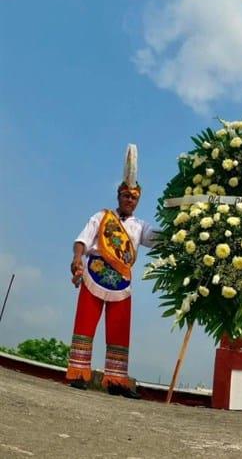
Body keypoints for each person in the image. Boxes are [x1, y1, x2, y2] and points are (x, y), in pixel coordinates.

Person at [66, 145, 157, 399]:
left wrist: (184, 229)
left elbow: (159, 239)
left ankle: (116, 379)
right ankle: (78, 374)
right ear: (119, 196)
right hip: (95, 272)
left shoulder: (140, 226)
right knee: (85, 321)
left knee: (119, 329)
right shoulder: (102, 216)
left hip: (121, 282)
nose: (130, 200)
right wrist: (76, 258)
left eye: (135, 198)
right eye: (127, 196)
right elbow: (82, 240)